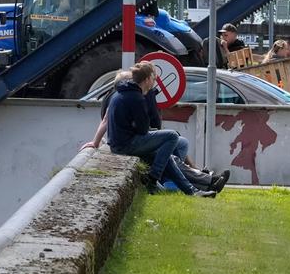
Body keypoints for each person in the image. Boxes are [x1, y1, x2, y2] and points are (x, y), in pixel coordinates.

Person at [86, 62, 220, 196]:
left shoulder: (122, 92)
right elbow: (143, 130)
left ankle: (193, 191)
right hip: (126, 145)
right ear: (146, 80)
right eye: (153, 78)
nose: (155, 81)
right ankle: (153, 177)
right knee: (172, 136)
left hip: (119, 143)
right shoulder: (136, 98)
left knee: (166, 157)